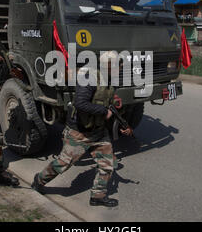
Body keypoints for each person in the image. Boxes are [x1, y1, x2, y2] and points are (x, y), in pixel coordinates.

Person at [31, 51, 133, 207]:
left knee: (107, 164)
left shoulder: (110, 80)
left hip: (98, 131)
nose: (120, 68)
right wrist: (104, 112)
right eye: (118, 65)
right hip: (79, 132)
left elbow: (108, 103)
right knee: (62, 164)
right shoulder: (89, 78)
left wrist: (122, 124)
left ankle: (97, 197)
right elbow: (81, 103)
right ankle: (39, 180)